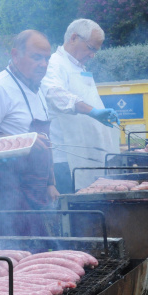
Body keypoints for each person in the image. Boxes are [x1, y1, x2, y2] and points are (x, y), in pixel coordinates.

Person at [0, 30, 58, 235]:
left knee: (37, 257)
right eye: (36, 57)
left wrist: (50, 183)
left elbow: (46, 143)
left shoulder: (38, 90)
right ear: (15, 54)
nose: (43, 64)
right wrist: (25, 141)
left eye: (47, 58)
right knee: (10, 258)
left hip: (35, 191)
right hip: (5, 194)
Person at [41, 19, 120, 192]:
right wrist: (92, 112)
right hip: (66, 159)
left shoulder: (79, 66)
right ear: (74, 38)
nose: (92, 55)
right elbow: (55, 94)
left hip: (88, 155)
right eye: (91, 48)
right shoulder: (54, 64)